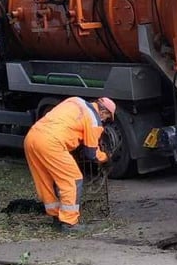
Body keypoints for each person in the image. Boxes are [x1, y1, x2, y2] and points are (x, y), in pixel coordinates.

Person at [23, 96, 115, 233]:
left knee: (45, 181)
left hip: (32, 138)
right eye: (107, 118)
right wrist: (106, 158)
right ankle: (69, 222)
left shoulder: (75, 100)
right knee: (73, 179)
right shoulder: (94, 120)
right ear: (103, 112)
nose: (105, 121)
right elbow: (91, 153)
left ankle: (55, 216)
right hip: (51, 143)